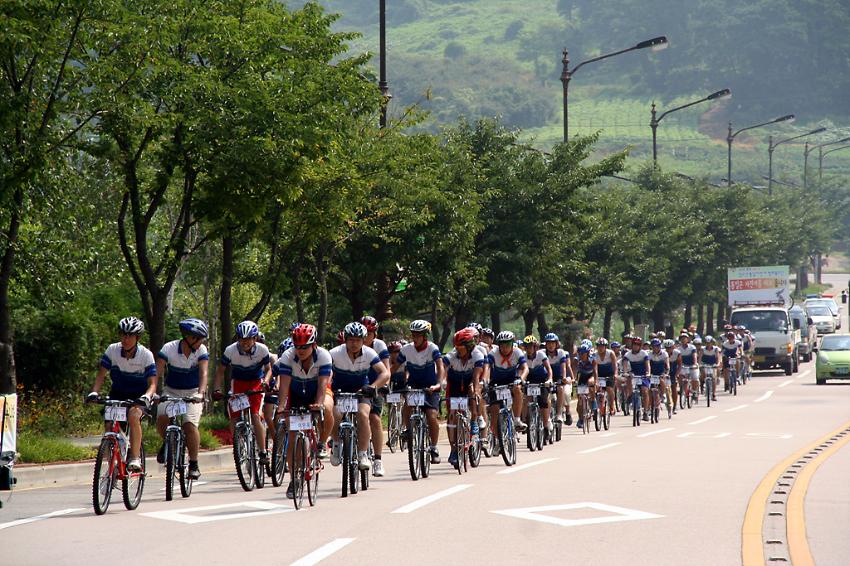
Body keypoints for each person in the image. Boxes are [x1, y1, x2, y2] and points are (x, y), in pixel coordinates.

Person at [87, 317, 157, 472]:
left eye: (129, 336)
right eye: (122, 335)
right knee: (109, 425)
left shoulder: (146, 355)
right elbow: (101, 375)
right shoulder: (112, 350)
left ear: (137, 338)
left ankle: (135, 457)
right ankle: (113, 463)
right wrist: (94, 392)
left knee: (133, 415)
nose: (125, 339)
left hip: (138, 396)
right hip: (117, 393)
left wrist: (146, 397)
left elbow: (153, 384)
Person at [329, 322, 390, 474]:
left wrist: (373, 386)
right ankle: (336, 444)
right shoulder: (334, 353)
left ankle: (363, 454)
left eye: (358, 340)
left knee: (363, 415)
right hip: (340, 391)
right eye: (351, 340)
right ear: (345, 340)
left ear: (363, 340)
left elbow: (385, 373)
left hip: (361, 391)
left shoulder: (370, 353)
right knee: (335, 415)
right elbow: (326, 373)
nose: (354, 343)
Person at [155, 318, 209, 479]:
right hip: (171, 391)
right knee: (162, 417)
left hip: (192, 392)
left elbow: (203, 373)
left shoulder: (201, 350)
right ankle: (168, 442)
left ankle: (193, 463)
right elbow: (157, 373)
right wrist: (155, 393)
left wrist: (201, 393)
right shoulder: (169, 348)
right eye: (199, 339)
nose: (202, 342)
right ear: (190, 338)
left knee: (189, 424)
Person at [212, 320, 272, 466]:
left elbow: (269, 369)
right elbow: (220, 371)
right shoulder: (230, 350)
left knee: (255, 414)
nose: (245, 342)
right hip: (238, 383)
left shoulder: (262, 349)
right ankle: (238, 446)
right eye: (241, 339)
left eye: (248, 339)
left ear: (255, 338)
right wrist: (216, 389)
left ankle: (263, 451)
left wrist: (266, 382)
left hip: (256, 382)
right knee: (234, 416)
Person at [392, 320, 445, 464]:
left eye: (418, 335)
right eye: (413, 335)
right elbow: (395, 367)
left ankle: (433, 447)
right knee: (408, 405)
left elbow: (440, 367)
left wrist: (438, 384)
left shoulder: (432, 348)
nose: (415, 338)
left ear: (425, 336)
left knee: (431, 415)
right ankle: (408, 430)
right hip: (414, 385)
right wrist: (385, 382)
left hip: (430, 386)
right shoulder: (406, 349)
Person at [443, 329, 484, 468]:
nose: (458, 350)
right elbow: (442, 368)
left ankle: (474, 420)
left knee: (473, 391)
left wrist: (477, 391)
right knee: (452, 415)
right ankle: (454, 449)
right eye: (457, 348)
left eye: (461, 348)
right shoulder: (452, 355)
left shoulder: (477, 355)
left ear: (470, 346)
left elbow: (477, 377)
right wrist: (441, 381)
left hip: (469, 380)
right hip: (454, 383)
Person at [361, 316, 391, 477]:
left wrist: (382, 386)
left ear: (375, 334)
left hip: (376, 385)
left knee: (374, 419)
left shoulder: (379, 346)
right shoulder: (351, 345)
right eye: (364, 333)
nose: (366, 337)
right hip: (357, 386)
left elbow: (387, 370)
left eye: (370, 333)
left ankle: (378, 459)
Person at [523, 335, 553, 434]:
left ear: (535, 347)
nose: (528, 349)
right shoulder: (523, 357)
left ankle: (546, 424)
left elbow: (549, 369)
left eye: (530, 346)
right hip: (530, 380)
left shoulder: (541, 355)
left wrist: (549, 379)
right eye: (526, 346)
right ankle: (526, 420)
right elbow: (519, 369)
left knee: (544, 401)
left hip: (542, 380)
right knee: (526, 400)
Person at [543, 333, 573, 426]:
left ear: (556, 344)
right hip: (547, 377)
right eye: (548, 343)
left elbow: (564, 367)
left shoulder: (561, 353)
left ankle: (559, 414)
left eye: (553, 343)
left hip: (558, 376)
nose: (551, 345)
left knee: (560, 389)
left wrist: (564, 378)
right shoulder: (542, 353)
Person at [622, 337, 650, 421]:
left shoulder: (644, 354)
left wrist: (648, 373)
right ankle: (630, 395)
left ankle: (645, 411)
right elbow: (625, 365)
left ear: (640, 346)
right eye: (634, 344)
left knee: (645, 391)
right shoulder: (628, 355)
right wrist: (625, 372)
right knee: (628, 379)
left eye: (638, 345)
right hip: (633, 374)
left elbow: (647, 365)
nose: (635, 346)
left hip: (643, 375)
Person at [574, 344, 597, 428]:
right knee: (579, 401)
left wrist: (596, 381)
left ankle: (593, 400)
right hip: (582, 377)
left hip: (590, 375)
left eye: (584, 353)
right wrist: (574, 380)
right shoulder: (577, 360)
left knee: (590, 383)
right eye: (580, 353)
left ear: (587, 353)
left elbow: (595, 371)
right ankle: (580, 418)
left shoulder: (592, 360)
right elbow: (575, 370)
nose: (582, 355)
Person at [596, 338, 617, 417]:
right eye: (599, 346)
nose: (600, 348)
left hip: (609, 373)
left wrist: (615, 374)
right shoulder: (594, 355)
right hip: (599, 374)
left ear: (605, 347)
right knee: (596, 389)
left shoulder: (610, 353)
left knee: (609, 389)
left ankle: (612, 405)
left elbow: (615, 365)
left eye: (602, 346)